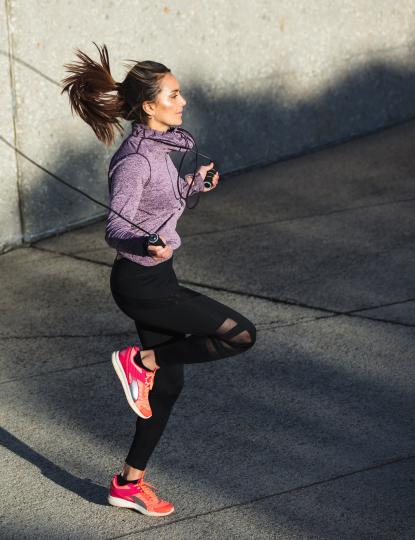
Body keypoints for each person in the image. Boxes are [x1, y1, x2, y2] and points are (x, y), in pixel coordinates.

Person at [62, 44, 257, 517]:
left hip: (157, 277)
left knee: (167, 390)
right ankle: (140, 359)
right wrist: (144, 243)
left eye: (180, 92)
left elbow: (163, 199)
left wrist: (195, 184)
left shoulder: (169, 146)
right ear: (150, 106)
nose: (182, 101)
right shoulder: (134, 160)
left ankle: (128, 484)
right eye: (173, 95)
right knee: (240, 334)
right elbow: (117, 227)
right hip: (142, 284)